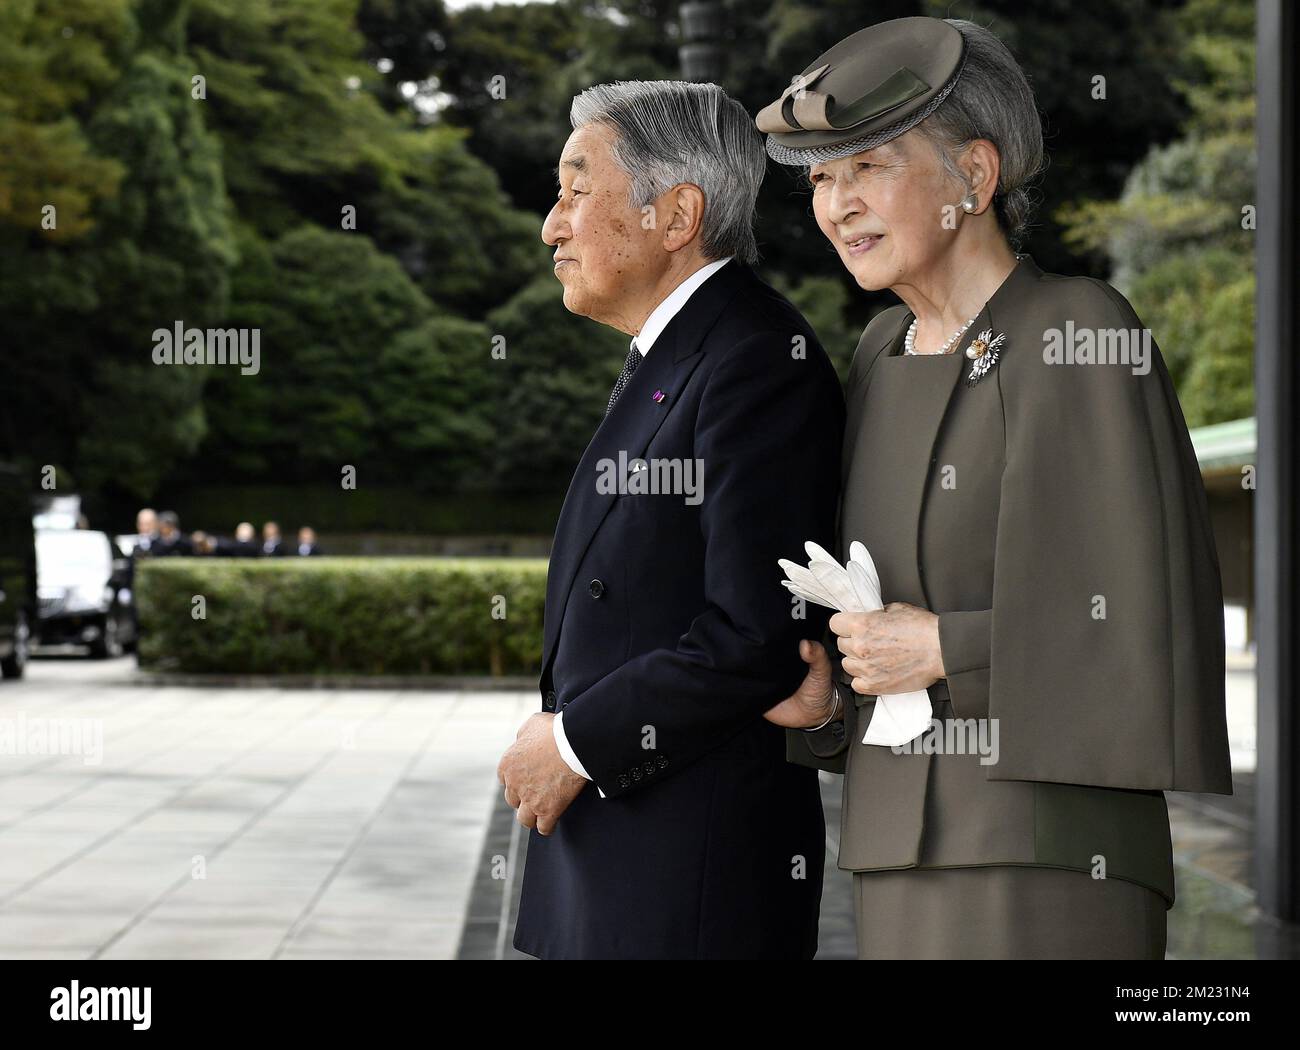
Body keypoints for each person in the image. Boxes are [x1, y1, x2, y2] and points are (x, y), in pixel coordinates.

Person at [757, 16, 1232, 959]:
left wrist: (947, 650)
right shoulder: (882, 352)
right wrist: (829, 697)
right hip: (898, 854)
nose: (838, 205)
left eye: (871, 167)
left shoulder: (1078, 328)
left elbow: (1147, 622)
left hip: (1047, 855)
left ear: (975, 175)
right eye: (821, 179)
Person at [498, 79, 845, 959]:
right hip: (633, 867)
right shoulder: (685, 352)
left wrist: (573, 744)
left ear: (676, 214)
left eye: (578, 190)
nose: (552, 224)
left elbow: (756, 635)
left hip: (688, 886)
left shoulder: (755, 360)